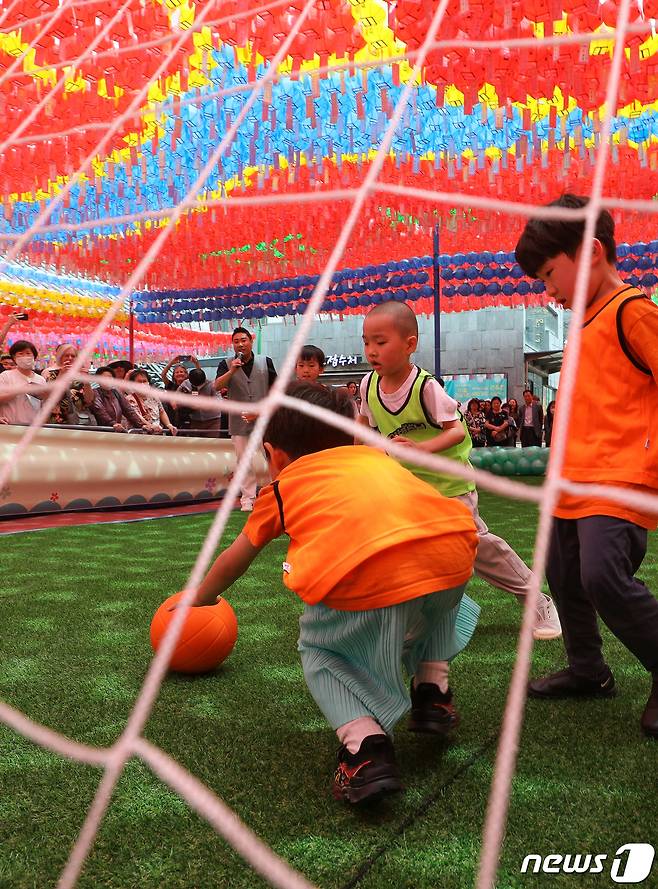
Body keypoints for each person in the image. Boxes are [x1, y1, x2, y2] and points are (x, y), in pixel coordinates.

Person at [184, 382, 479, 804]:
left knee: (322, 654)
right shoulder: (378, 459)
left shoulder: (284, 487)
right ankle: (433, 689)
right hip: (452, 551)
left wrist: (198, 598)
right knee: (437, 602)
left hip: (365, 574)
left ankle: (365, 749)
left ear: (274, 455)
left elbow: (238, 555)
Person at [515, 193, 658, 738]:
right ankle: (588, 670)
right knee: (565, 575)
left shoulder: (632, 311)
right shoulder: (586, 324)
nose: (547, 290)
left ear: (591, 252)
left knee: (602, 576)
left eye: (551, 274)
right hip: (572, 480)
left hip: (618, 478)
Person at [358, 301, 561, 647]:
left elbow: (457, 431)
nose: (371, 351)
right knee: (408, 551)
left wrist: (420, 451)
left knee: (477, 548)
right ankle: (424, 616)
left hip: (450, 486)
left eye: (380, 342)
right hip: (407, 489)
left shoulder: (425, 388)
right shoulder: (368, 386)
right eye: (366, 342)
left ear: (410, 344)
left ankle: (535, 600)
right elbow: (362, 430)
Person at [215, 328, 277, 511]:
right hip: (239, 420)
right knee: (243, 460)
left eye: (244, 340)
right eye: (236, 341)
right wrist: (232, 370)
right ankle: (248, 498)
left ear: (251, 341)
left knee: (272, 456)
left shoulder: (265, 362)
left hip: (264, 418)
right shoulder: (226, 363)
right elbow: (217, 386)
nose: (240, 344)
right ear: (233, 344)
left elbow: (276, 389)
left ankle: (276, 493)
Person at [43, 344, 95, 425]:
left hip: (80, 420)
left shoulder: (80, 373)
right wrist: (61, 375)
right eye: (66, 355)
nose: (70, 358)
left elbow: (89, 400)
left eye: (73, 356)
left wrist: (86, 381)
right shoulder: (49, 372)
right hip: (56, 421)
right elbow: (48, 398)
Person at [0, 340, 47, 424]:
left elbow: (44, 404)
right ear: (14, 358)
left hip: (33, 427)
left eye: (28, 353)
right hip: (10, 425)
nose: (25, 356)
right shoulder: (6, 376)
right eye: (20, 354)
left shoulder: (40, 379)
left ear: (34, 357)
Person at [90, 366, 151, 432]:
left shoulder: (116, 393)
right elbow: (100, 411)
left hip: (116, 431)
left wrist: (141, 425)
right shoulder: (95, 393)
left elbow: (129, 411)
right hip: (101, 432)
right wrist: (112, 423)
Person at [124, 368, 176, 435]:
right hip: (139, 435)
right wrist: (151, 426)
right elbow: (137, 416)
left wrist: (168, 424)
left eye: (144, 381)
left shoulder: (154, 396)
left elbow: (162, 411)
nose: (142, 384)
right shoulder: (129, 399)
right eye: (139, 382)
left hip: (157, 434)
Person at [177, 368, 223, 437]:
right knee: (196, 444)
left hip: (212, 420)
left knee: (212, 443)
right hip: (195, 420)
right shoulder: (185, 384)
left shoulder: (212, 384)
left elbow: (219, 401)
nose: (198, 387)